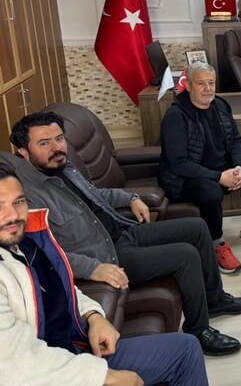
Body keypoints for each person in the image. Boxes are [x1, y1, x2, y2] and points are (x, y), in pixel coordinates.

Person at [7, 113, 241, 357]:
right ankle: (199, 330)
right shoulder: (26, 197)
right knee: (186, 255)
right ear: (23, 151)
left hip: (123, 231)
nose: (57, 147)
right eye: (44, 143)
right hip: (109, 255)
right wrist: (91, 268)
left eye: (59, 138)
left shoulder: (63, 167)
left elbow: (96, 195)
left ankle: (215, 300)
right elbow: (42, 253)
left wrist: (131, 198)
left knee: (197, 227)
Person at [0, 164, 209, 386]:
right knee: (184, 255)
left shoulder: (29, 243)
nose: (13, 215)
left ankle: (213, 305)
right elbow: (15, 365)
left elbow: (62, 286)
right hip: (50, 372)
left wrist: (93, 316)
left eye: (18, 202)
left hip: (76, 349)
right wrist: (105, 377)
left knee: (186, 350)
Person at [159, 61, 241, 274]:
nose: (208, 89)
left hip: (221, 169)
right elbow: (179, 163)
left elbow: (236, 140)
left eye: (211, 83)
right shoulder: (176, 116)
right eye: (201, 83)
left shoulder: (221, 106)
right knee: (211, 191)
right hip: (185, 178)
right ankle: (216, 244)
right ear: (188, 85)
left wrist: (237, 167)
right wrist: (219, 177)